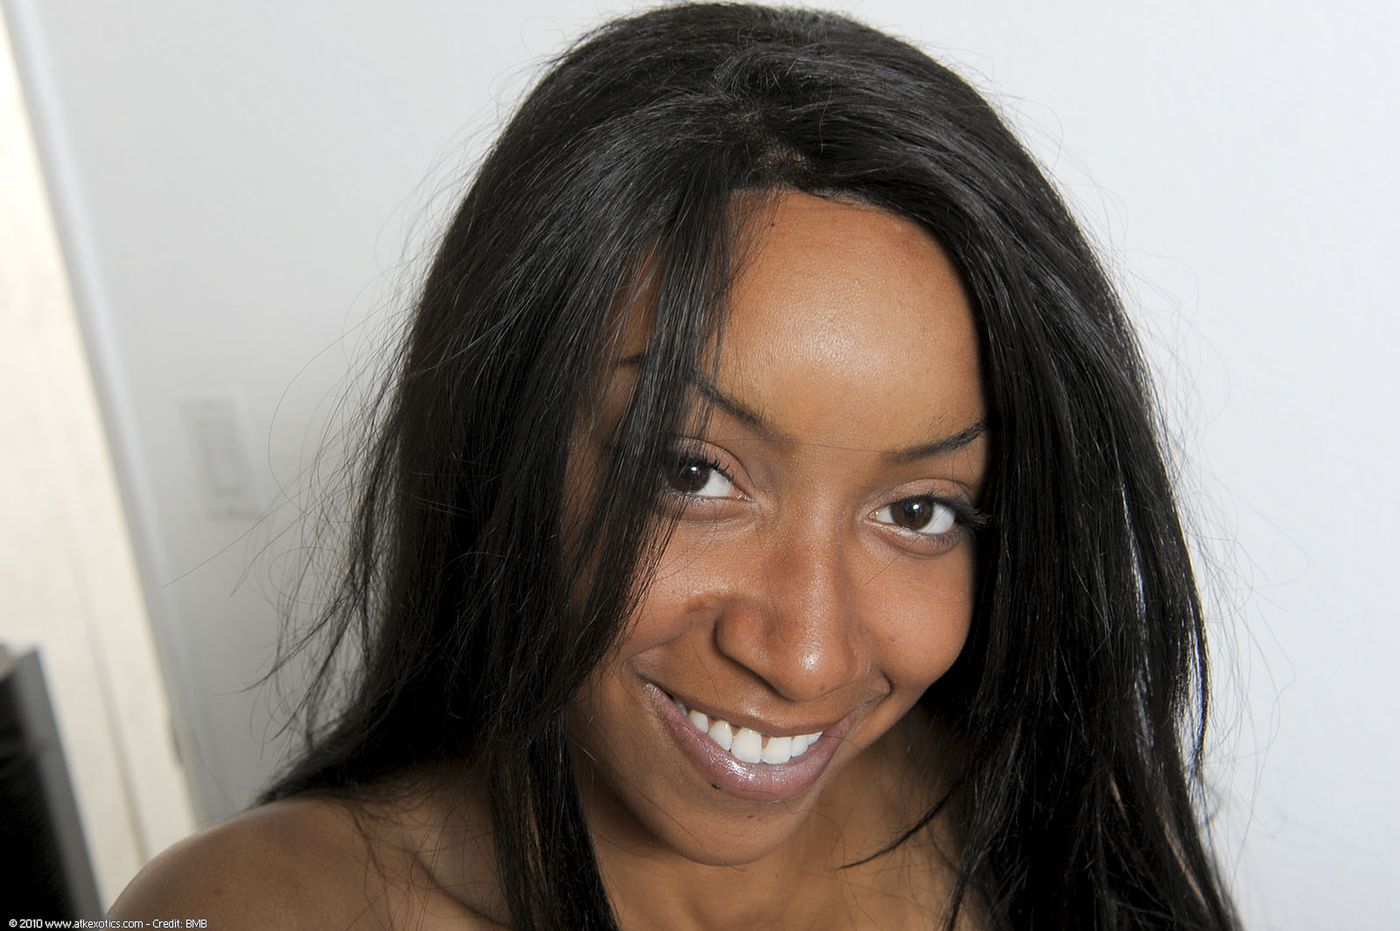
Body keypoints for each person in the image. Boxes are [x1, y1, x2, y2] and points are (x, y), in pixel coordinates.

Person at [111, 4, 1240, 928]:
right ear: (501, 448)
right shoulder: (237, 910)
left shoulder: (1047, 820)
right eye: (692, 474)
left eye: (918, 510)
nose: (805, 654)